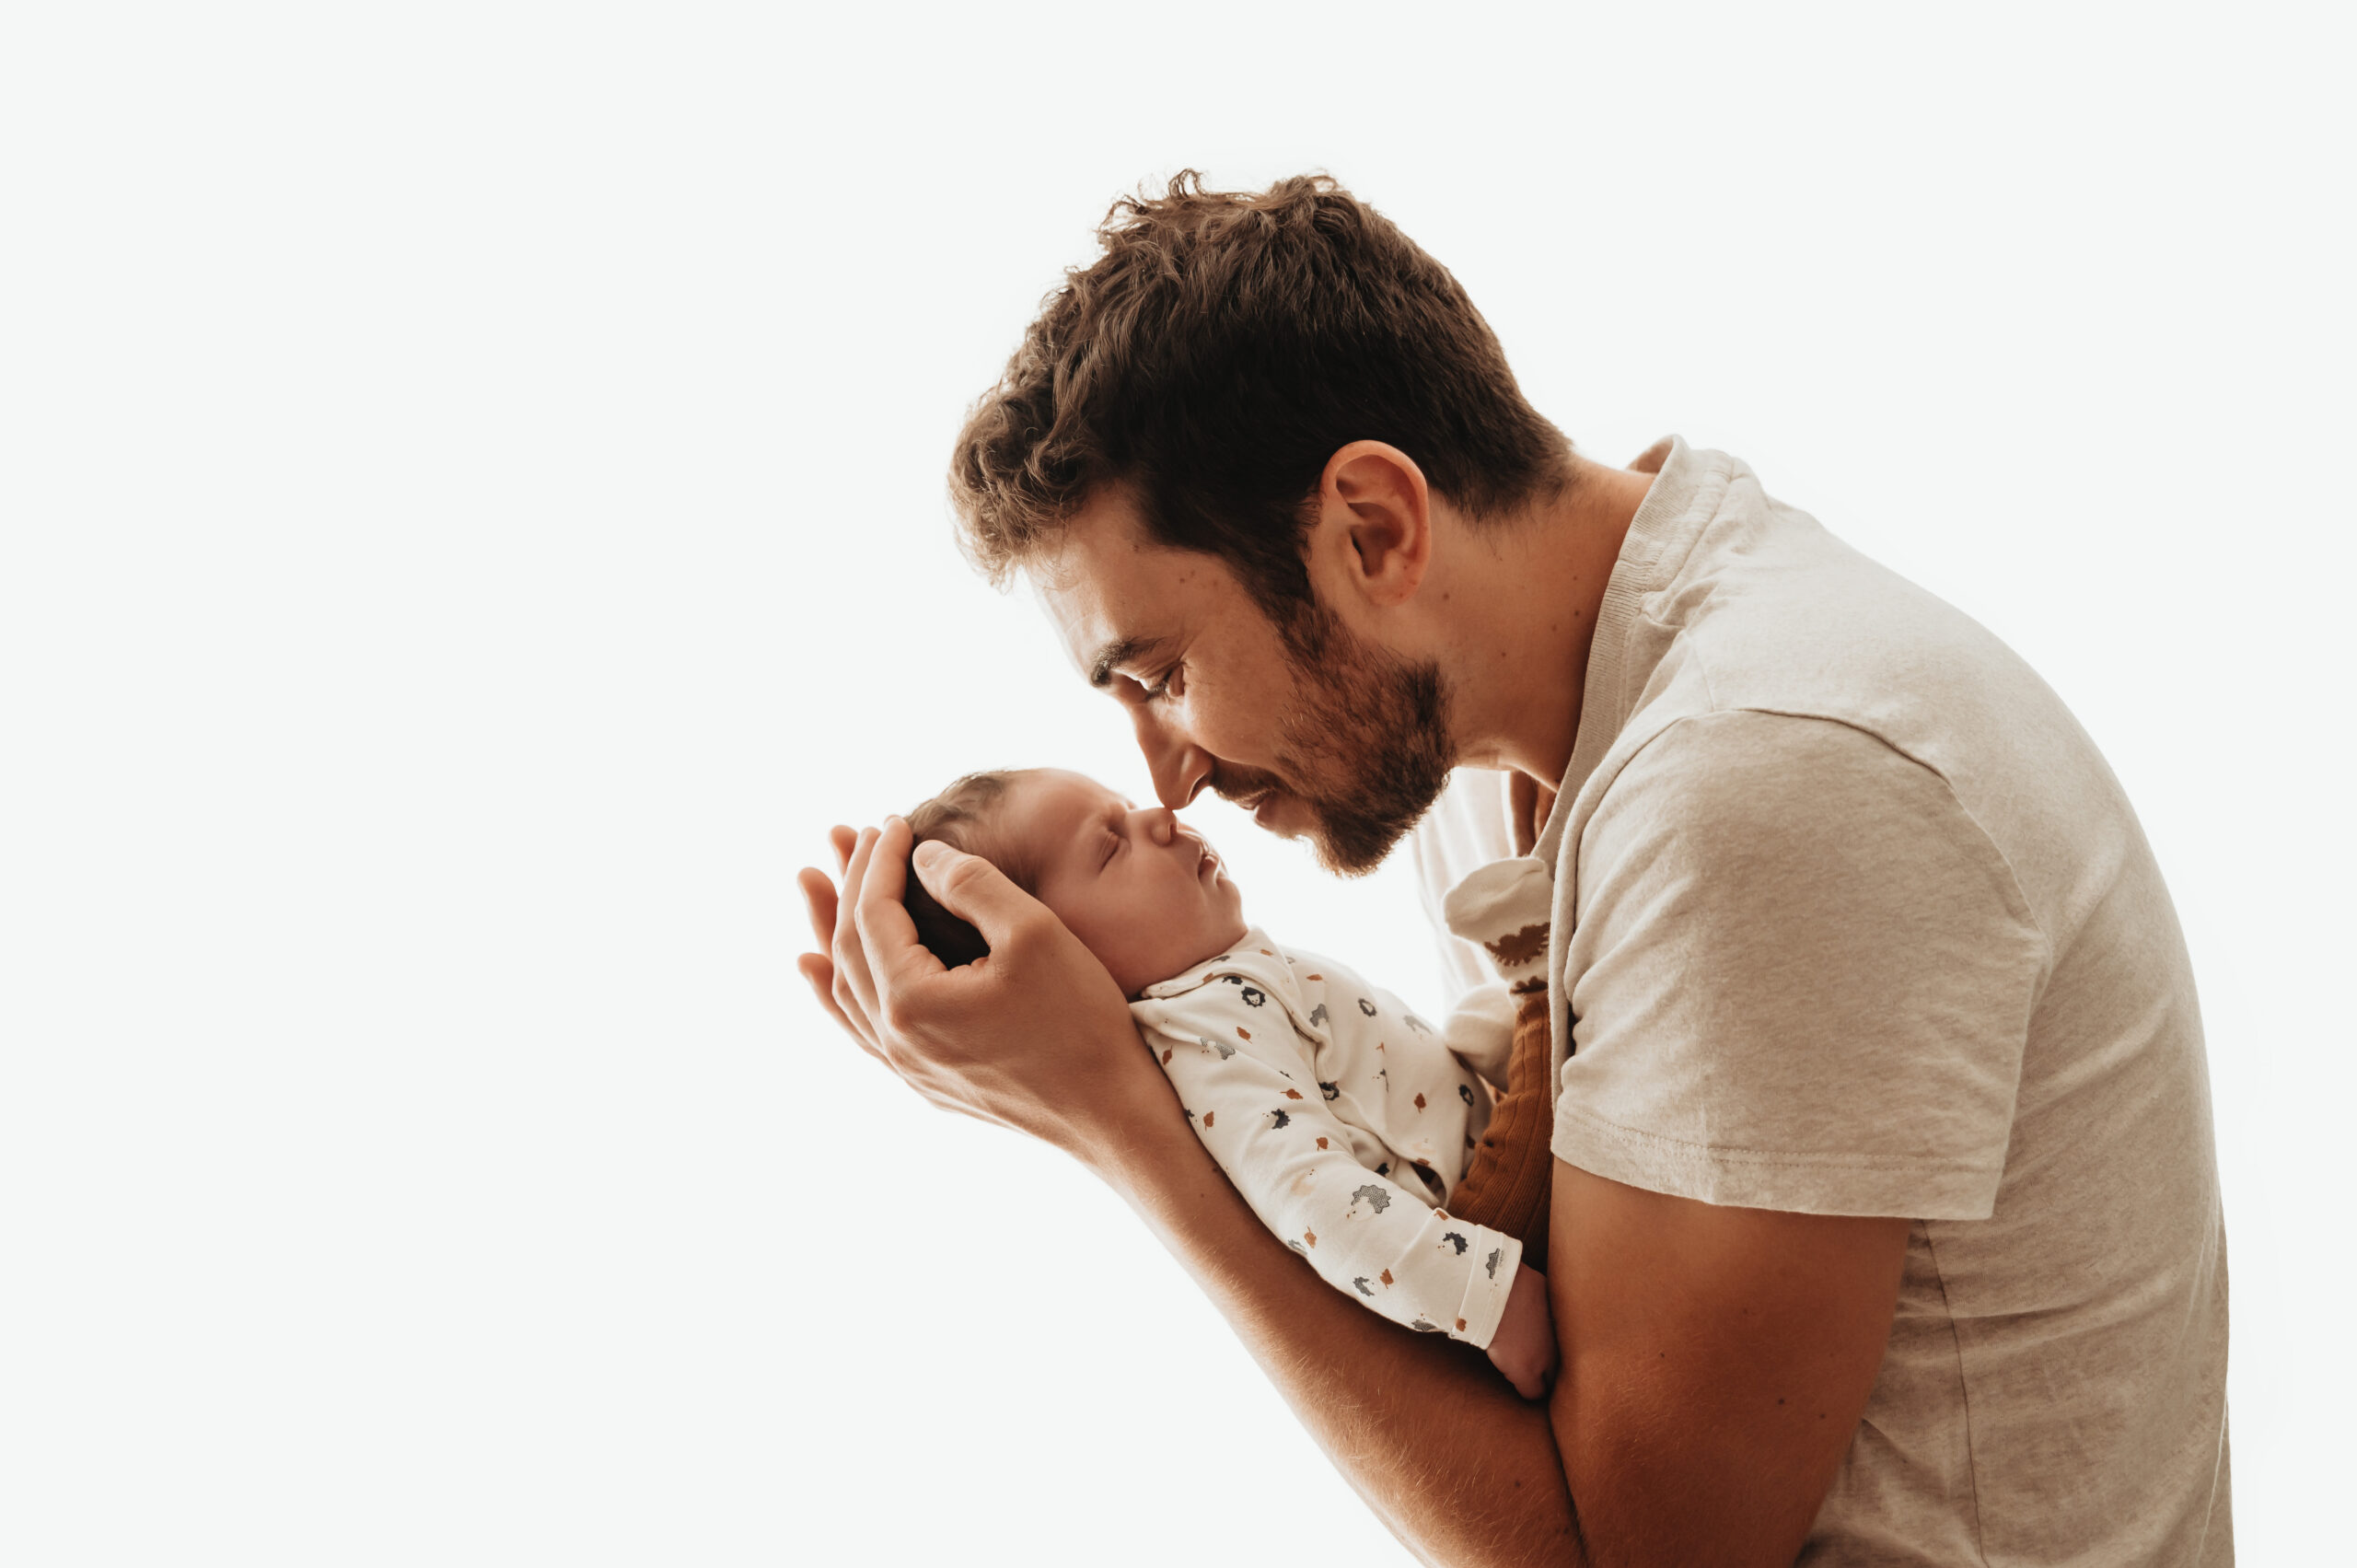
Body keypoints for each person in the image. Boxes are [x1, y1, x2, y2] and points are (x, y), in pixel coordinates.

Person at [798, 173, 2230, 1565]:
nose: (1166, 770)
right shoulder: (1499, 762)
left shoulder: (1762, 781)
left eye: (1163, 672)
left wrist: (1122, 1119)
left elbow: (1629, 1552)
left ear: (1374, 527)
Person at [896, 765, 1562, 1396]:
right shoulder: (1198, 1032)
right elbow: (1315, 1200)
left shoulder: (1221, 984)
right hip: (1485, 1231)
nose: (1158, 816)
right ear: (1065, 963)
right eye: (1109, 846)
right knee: (1557, 1045)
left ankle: (1533, 992)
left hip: (1481, 1171)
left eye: (1126, 808)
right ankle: (1535, 977)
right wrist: (1488, 1299)